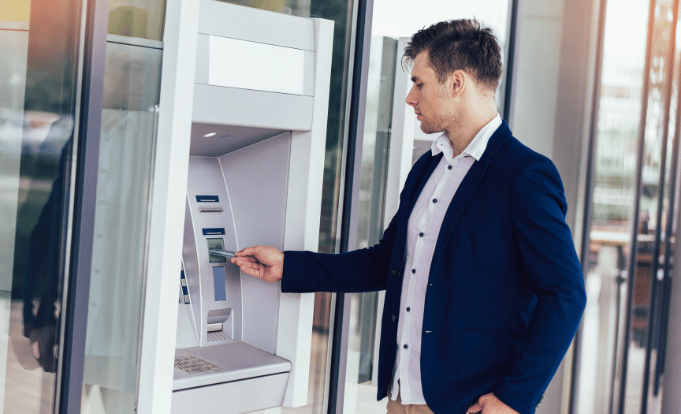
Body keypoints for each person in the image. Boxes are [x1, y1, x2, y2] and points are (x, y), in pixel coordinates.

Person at [231, 19, 586, 414]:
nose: (409, 98)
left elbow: (566, 294)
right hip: (402, 394)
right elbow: (387, 263)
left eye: (419, 83)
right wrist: (289, 266)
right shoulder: (427, 169)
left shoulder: (524, 175)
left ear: (456, 83)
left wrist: (516, 398)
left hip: (470, 403)